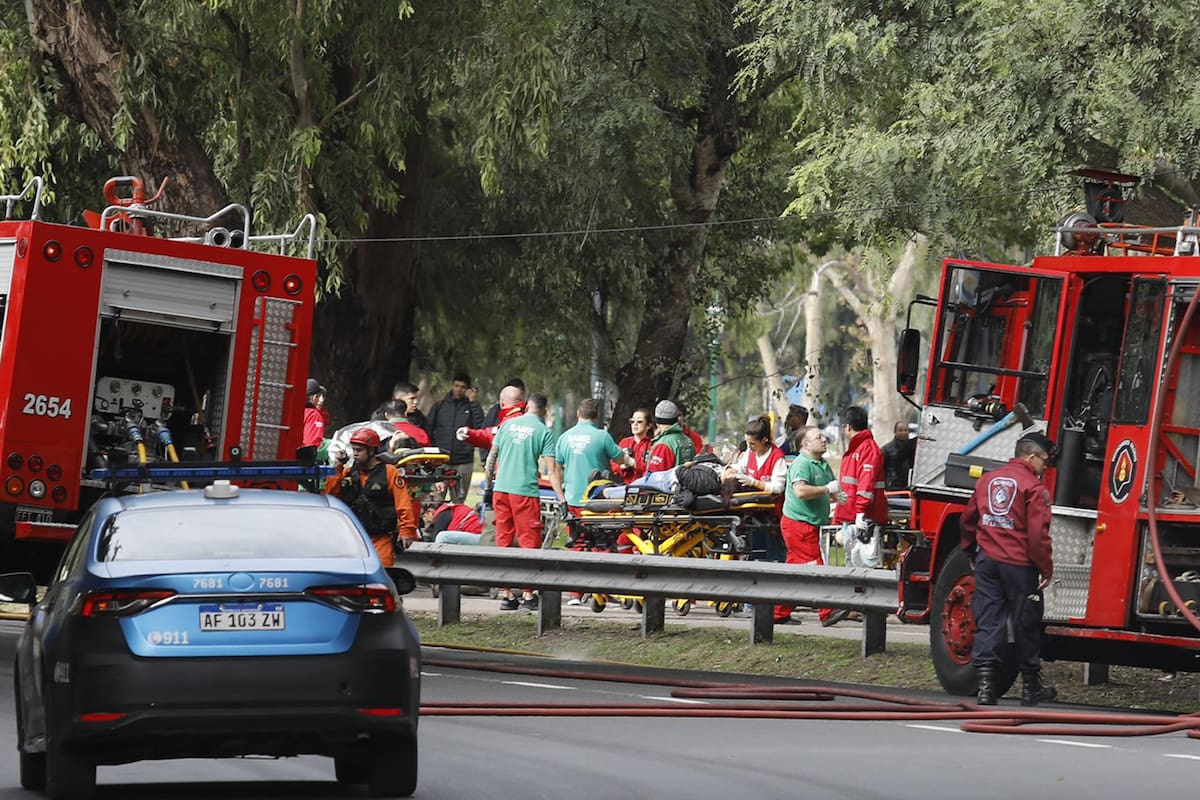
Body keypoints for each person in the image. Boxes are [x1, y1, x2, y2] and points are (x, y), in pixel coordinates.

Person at [961, 431, 1058, 706]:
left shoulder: (987, 480)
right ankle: (1030, 688)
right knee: (1026, 623)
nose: (1044, 468)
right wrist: (1045, 568)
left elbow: (968, 519)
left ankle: (985, 687)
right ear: (1031, 457)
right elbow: (1038, 535)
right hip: (1019, 565)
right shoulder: (1034, 488)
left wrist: (970, 550)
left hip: (988, 561)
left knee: (988, 620)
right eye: (1044, 461)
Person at [460, 385, 565, 610]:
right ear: (544, 411)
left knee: (503, 539)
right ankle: (528, 594)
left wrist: (489, 486)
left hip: (501, 490)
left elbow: (491, 458)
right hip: (524, 491)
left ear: (527, 407)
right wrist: (561, 498)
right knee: (529, 541)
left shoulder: (506, 425)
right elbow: (552, 470)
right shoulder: (543, 432)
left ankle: (507, 595)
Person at [775, 426, 846, 625]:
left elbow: (830, 486)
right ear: (806, 445)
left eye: (822, 436)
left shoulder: (821, 463)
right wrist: (826, 489)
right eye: (818, 437)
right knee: (816, 567)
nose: (823, 439)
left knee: (794, 572)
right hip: (799, 525)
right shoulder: (802, 464)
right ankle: (827, 611)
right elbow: (800, 491)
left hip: (807, 525)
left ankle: (778, 613)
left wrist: (836, 495)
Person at [323, 427, 418, 567]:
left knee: (381, 570)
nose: (355, 454)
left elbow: (403, 504)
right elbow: (330, 495)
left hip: (380, 537)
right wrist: (338, 466)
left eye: (359, 450)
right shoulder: (347, 472)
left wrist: (407, 531)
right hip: (352, 538)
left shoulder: (389, 473)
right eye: (353, 450)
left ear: (372, 451)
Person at [832, 405, 889, 574]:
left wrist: (860, 512)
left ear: (848, 427)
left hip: (863, 517)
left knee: (861, 565)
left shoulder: (866, 448)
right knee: (852, 562)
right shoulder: (858, 448)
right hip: (854, 515)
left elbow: (865, 484)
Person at [556, 398, 632, 516]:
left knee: (573, 528)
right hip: (595, 499)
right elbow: (620, 459)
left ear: (578, 413)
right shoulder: (603, 437)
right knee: (595, 528)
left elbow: (557, 469)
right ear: (597, 416)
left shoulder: (564, 438)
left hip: (571, 499)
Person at [427, 372, 485, 502]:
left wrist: (473, 402)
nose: (458, 390)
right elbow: (428, 429)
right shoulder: (440, 406)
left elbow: (480, 427)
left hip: (463, 461)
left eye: (462, 387)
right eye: (456, 386)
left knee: (458, 502)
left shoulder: (472, 407)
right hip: (440, 461)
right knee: (435, 501)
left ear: (468, 389)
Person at [644, 400, 698, 479]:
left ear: (656, 421)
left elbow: (653, 478)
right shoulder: (688, 440)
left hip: (668, 486)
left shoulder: (663, 444)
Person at [614, 407, 654, 483]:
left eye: (639, 421)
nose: (635, 424)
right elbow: (614, 464)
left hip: (645, 486)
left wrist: (633, 463)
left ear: (648, 426)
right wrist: (621, 467)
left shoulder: (652, 444)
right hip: (627, 485)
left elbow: (652, 468)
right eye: (632, 421)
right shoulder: (625, 442)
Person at [297, 378, 329, 463]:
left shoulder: (297, 411)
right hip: (304, 465)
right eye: (319, 396)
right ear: (315, 397)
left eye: (323, 396)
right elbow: (311, 447)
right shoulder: (313, 415)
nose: (321, 400)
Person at [882, 421, 916, 490]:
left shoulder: (913, 448)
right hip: (892, 487)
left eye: (906, 430)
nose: (904, 433)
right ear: (895, 432)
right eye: (900, 430)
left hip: (909, 487)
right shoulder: (886, 449)